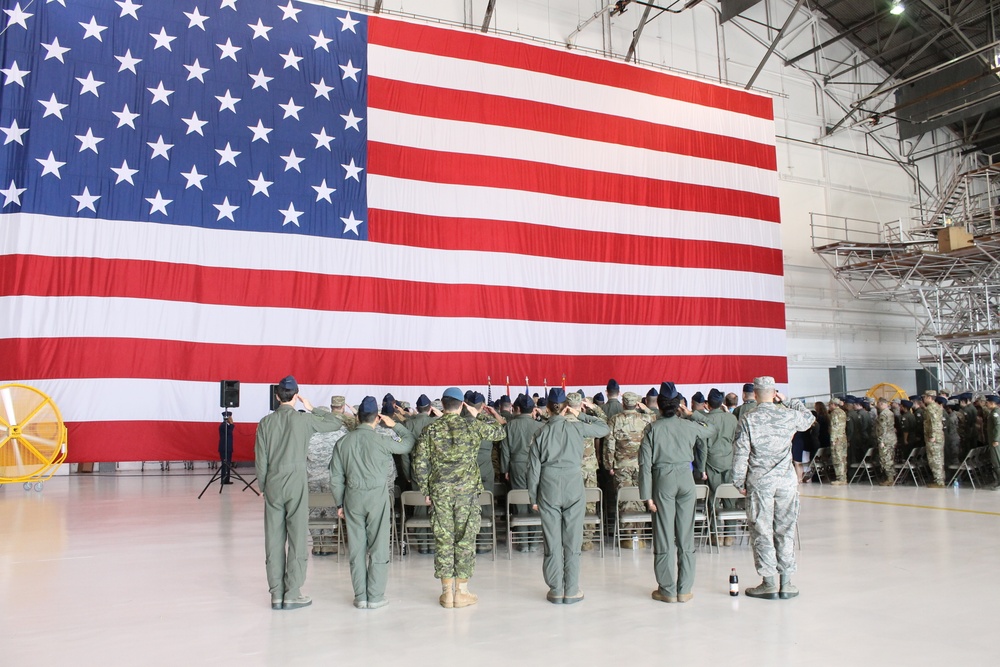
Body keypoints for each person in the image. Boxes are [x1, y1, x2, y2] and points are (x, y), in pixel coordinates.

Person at [254, 376, 344, 610]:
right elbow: (335, 423)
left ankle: (276, 593)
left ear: (276, 396)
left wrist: (263, 486)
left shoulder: (265, 422)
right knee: (297, 537)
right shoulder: (304, 420)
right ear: (296, 396)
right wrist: (311, 407)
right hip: (296, 480)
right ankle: (293, 592)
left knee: (273, 539)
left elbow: (260, 459)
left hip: (273, 480)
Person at [412, 387, 506, 608]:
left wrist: (426, 491)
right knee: (465, 540)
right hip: (466, 493)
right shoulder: (471, 425)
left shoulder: (430, 429)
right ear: (462, 404)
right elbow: (500, 432)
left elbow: (420, 463)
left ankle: (447, 593)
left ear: (442, 405)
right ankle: (461, 592)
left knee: (443, 539)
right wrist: (478, 413)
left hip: (440, 492)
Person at [732, 377, 815, 600]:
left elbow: (741, 454)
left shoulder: (749, 419)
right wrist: (790, 402)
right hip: (785, 481)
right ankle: (786, 582)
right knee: (785, 529)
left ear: (756, 394)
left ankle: (768, 582)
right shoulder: (788, 414)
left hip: (760, 482)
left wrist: (739, 482)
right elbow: (809, 418)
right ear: (774, 393)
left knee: (762, 530)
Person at [330, 396, 415, 610]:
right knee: (378, 547)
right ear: (377, 418)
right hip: (377, 497)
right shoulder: (382, 440)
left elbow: (335, 478)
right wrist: (394, 424)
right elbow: (409, 442)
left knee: (357, 549)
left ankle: (361, 596)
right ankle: (375, 596)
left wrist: (340, 504)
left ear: (357, 418)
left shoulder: (343, 442)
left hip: (352, 497)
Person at [527, 389, 610, 604]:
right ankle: (571, 589)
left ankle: (556, 589)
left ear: (547, 409)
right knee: (573, 539)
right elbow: (604, 427)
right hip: (573, 484)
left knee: (552, 540)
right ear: (566, 407)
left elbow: (533, 469)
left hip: (548, 486)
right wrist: (580, 413)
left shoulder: (540, 432)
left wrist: (533, 498)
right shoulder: (577, 427)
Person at [639, 382, 715, 603]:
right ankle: (684, 589)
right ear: (679, 405)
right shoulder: (688, 425)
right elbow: (711, 429)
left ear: (659, 406)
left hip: (663, 480)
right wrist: (691, 415)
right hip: (685, 478)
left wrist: (647, 495)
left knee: (663, 535)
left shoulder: (652, 429)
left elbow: (644, 465)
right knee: (685, 535)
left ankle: (667, 589)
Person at [688, 388, 737, 545]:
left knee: (713, 499)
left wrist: (701, 468)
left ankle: (715, 535)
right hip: (729, 460)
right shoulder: (732, 418)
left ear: (708, 404)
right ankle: (729, 536)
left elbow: (702, 447)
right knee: (730, 499)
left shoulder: (704, 419)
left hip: (711, 462)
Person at [605, 391, 654, 549]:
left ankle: (626, 536)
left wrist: (609, 465)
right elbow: (655, 416)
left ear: (623, 403)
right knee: (641, 497)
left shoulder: (615, 420)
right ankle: (638, 535)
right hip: (642, 464)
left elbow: (609, 444)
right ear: (636, 403)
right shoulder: (646, 418)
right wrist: (645, 408)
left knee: (624, 498)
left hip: (622, 465)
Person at [306, 398, 353, 555]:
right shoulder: (339, 431)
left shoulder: (307, 433)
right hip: (331, 477)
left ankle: (316, 544)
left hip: (310, 477)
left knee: (313, 510)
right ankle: (326, 543)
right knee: (331, 509)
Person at [500, 394, 544, 551]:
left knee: (520, 502)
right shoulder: (540, 426)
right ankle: (534, 543)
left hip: (516, 466)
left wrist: (505, 469)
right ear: (533, 409)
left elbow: (504, 450)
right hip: (537, 465)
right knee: (537, 501)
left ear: (517, 409)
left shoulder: (509, 426)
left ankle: (523, 543)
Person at [923, 390, 946, 487]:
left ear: (929, 397)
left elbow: (934, 422)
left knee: (934, 459)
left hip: (934, 437)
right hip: (939, 436)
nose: (924, 399)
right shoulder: (938, 406)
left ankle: (939, 481)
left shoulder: (930, 408)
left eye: (925, 397)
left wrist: (932, 436)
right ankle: (940, 479)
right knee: (939, 458)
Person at [875, 397, 897, 485]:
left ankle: (890, 479)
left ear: (881, 404)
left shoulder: (883, 414)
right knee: (891, 457)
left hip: (886, 440)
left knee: (886, 459)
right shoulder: (890, 413)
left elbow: (882, 428)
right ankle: (891, 477)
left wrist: (881, 441)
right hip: (891, 438)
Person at [829, 397, 848, 485]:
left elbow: (834, 426)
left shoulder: (834, 413)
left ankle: (840, 478)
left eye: (830, 404)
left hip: (836, 439)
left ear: (833, 404)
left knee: (837, 458)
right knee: (843, 458)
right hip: (843, 438)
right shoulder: (842, 412)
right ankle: (844, 477)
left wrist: (833, 439)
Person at [218, 411, 235, 485]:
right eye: (230, 417)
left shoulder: (227, 425)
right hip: (224, 448)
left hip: (228, 448)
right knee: (225, 464)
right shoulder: (223, 425)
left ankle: (227, 479)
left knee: (228, 464)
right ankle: (223, 479)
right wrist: (231, 425)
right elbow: (228, 432)